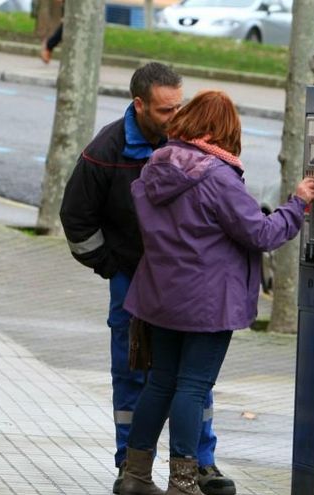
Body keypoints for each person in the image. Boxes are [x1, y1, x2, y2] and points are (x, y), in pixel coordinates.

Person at [118, 90, 314, 495]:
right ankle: (183, 482)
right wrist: (296, 204)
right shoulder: (216, 177)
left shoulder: (155, 166)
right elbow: (261, 233)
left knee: (160, 383)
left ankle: (134, 476)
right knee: (192, 387)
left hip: (160, 297)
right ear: (219, 131)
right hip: (206, 304)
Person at [60, 65, 237, 495]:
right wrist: (114, 267)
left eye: (180, 106)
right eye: (164, 110)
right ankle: (131, 467)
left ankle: (200, 465)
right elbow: (76, 220)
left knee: (192, 379)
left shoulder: (189, 143)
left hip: (184, 285)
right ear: (138, 105)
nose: (175, 117)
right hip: (133, 282)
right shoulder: (107, 150)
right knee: (135, 374)